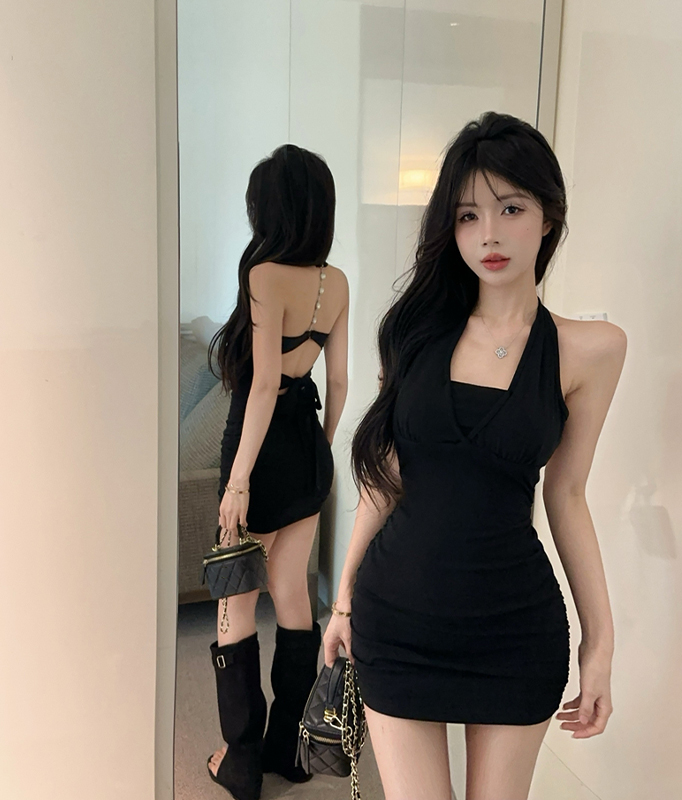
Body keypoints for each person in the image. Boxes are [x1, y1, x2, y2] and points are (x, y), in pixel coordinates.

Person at [323, 111, 626, 800]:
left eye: (510, 208)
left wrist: (599, 644)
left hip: (513, 630)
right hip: (397, 621)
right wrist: (342, 602)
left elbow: (567, 495)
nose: (488, 233)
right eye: (467, 216)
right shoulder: (412, 333)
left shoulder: (590, 350)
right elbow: (386, 478)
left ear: (548, 217)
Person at [204, 144, 349, 800]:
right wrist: (317, 452)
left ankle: (240, 761)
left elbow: (263, 385)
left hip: (257, 452)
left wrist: (239, 481)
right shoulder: (335, 282)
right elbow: (338, 382)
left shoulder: (264, 273)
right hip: (306, 449)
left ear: (272, 210)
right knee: (292, 593)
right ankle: (288, 750)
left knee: (235, 599)